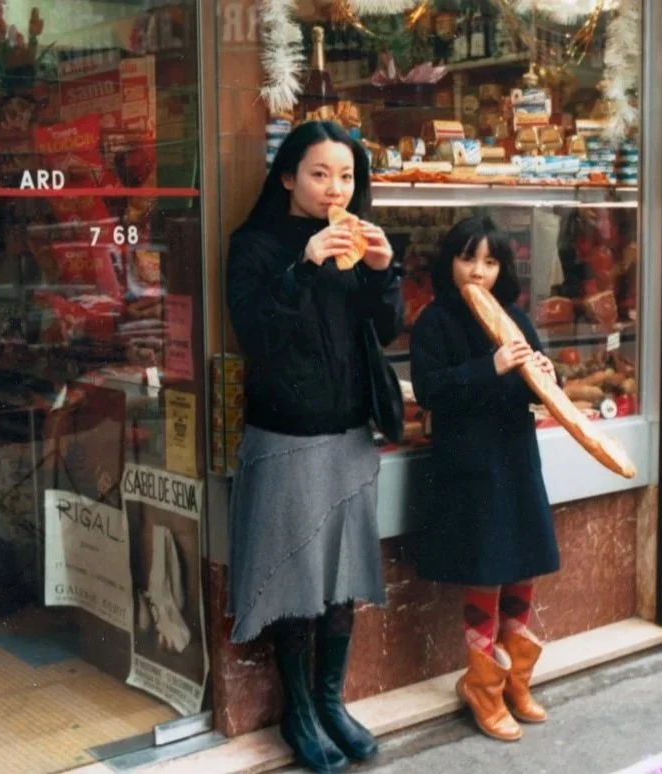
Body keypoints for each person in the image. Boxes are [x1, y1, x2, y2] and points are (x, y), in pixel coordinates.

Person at [226, 120, 402, 773]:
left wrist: (384, 273)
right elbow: (257, 334)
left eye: (348, 175)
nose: (336, 188)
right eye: (321, 174)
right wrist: (302, 266)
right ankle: (299, 712)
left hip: (350, 431)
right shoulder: (255, 245)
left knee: (340, 578)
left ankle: (333, 702)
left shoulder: (360, 244)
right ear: (288, 177)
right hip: (287, 434)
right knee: (297, 582)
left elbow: (382, 330)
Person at [409, 215, 560, 743]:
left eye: (491, 261)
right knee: (487, 569)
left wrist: (543, 376)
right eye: (468, 258)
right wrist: (490, 366)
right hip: (470, 466)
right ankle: (483, 686)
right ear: (449, 261)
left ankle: (516, 681)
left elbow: (533, 389)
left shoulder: (515, 316)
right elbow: (430, 390)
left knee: (522, 566)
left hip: (516, 459)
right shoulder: (434, 321)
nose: (478, 271)